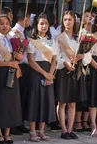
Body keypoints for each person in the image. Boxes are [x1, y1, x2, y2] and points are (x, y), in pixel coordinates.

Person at [0, 14, 24, 144]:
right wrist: (9, 63)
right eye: (1, 23)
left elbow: (19, 58)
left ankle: (8, 133)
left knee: (11, 104)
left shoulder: (12, 39)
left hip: (12, 72)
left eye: (7, 23)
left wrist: (19, 57)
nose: (4, 26)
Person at [55, 11, 91, 140]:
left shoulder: (79, 37)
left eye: (70, 20)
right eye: (65, 19)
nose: (67, 22)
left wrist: (83, 55)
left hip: (76, 70)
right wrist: (67, 62)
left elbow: (86, 54)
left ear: (74, 21)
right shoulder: (60, 37)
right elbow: (61, 55)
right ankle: (63, 130)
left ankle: (70, 129)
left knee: (72, 103)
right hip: (64, 70)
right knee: (62, 102)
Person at [25, 13, 57, 142]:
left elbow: (54, 59)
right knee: (35, 101)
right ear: (36, 25)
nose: (44, 26)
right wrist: (45, 74)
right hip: (36, 73)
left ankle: (41, 131)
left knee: (46, 101)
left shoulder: (52, 41)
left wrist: (51, 75)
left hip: (49, 72)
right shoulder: (31, 41)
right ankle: (32, 131)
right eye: (41, 23)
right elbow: (31, 61)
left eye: (46, 23)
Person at [8, 7, 31, 135]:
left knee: (22, 96)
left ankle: (20, 122)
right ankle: (13, 124)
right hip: (18, 66)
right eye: (29, 19)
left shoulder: (23, 31)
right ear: (26, 18)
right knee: (17, 96)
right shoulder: (14, 32)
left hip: (25, 67)